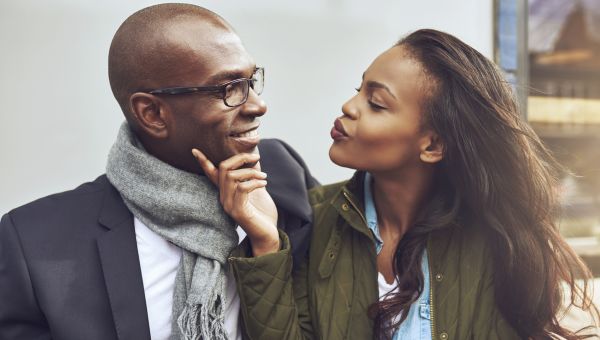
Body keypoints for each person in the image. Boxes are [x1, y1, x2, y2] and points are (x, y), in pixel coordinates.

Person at [196, 29, 599, 339]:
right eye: (359, 89)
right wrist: (266, 244)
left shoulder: (495, 241)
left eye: (376, 103)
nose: (349, 107)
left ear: (433, 144)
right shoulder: (311, 221)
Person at [0, 4, 317, 340]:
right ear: (152, 113)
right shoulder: (37, 244)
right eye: (228, 89)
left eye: (251, 80)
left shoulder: (283, 179)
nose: (256, 105)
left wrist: (266, 246)